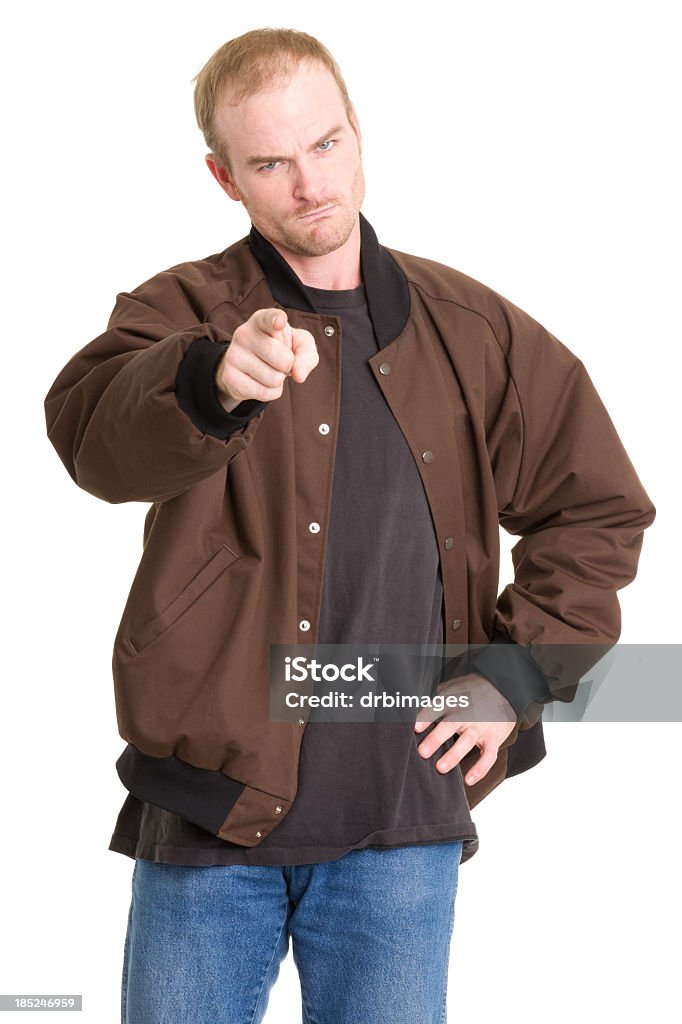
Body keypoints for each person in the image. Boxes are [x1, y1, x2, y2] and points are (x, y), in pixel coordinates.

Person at [43, 27, 656, 1024]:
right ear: (224, 177)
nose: (309, 183)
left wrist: (516, 674)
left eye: (324, 145)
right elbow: (88, 435)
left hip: (399, 816)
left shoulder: (473, 328)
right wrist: (204, 382)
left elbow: (594, 504)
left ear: (357, 134)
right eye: (270, 163)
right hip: (211, 813)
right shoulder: (185, 312)